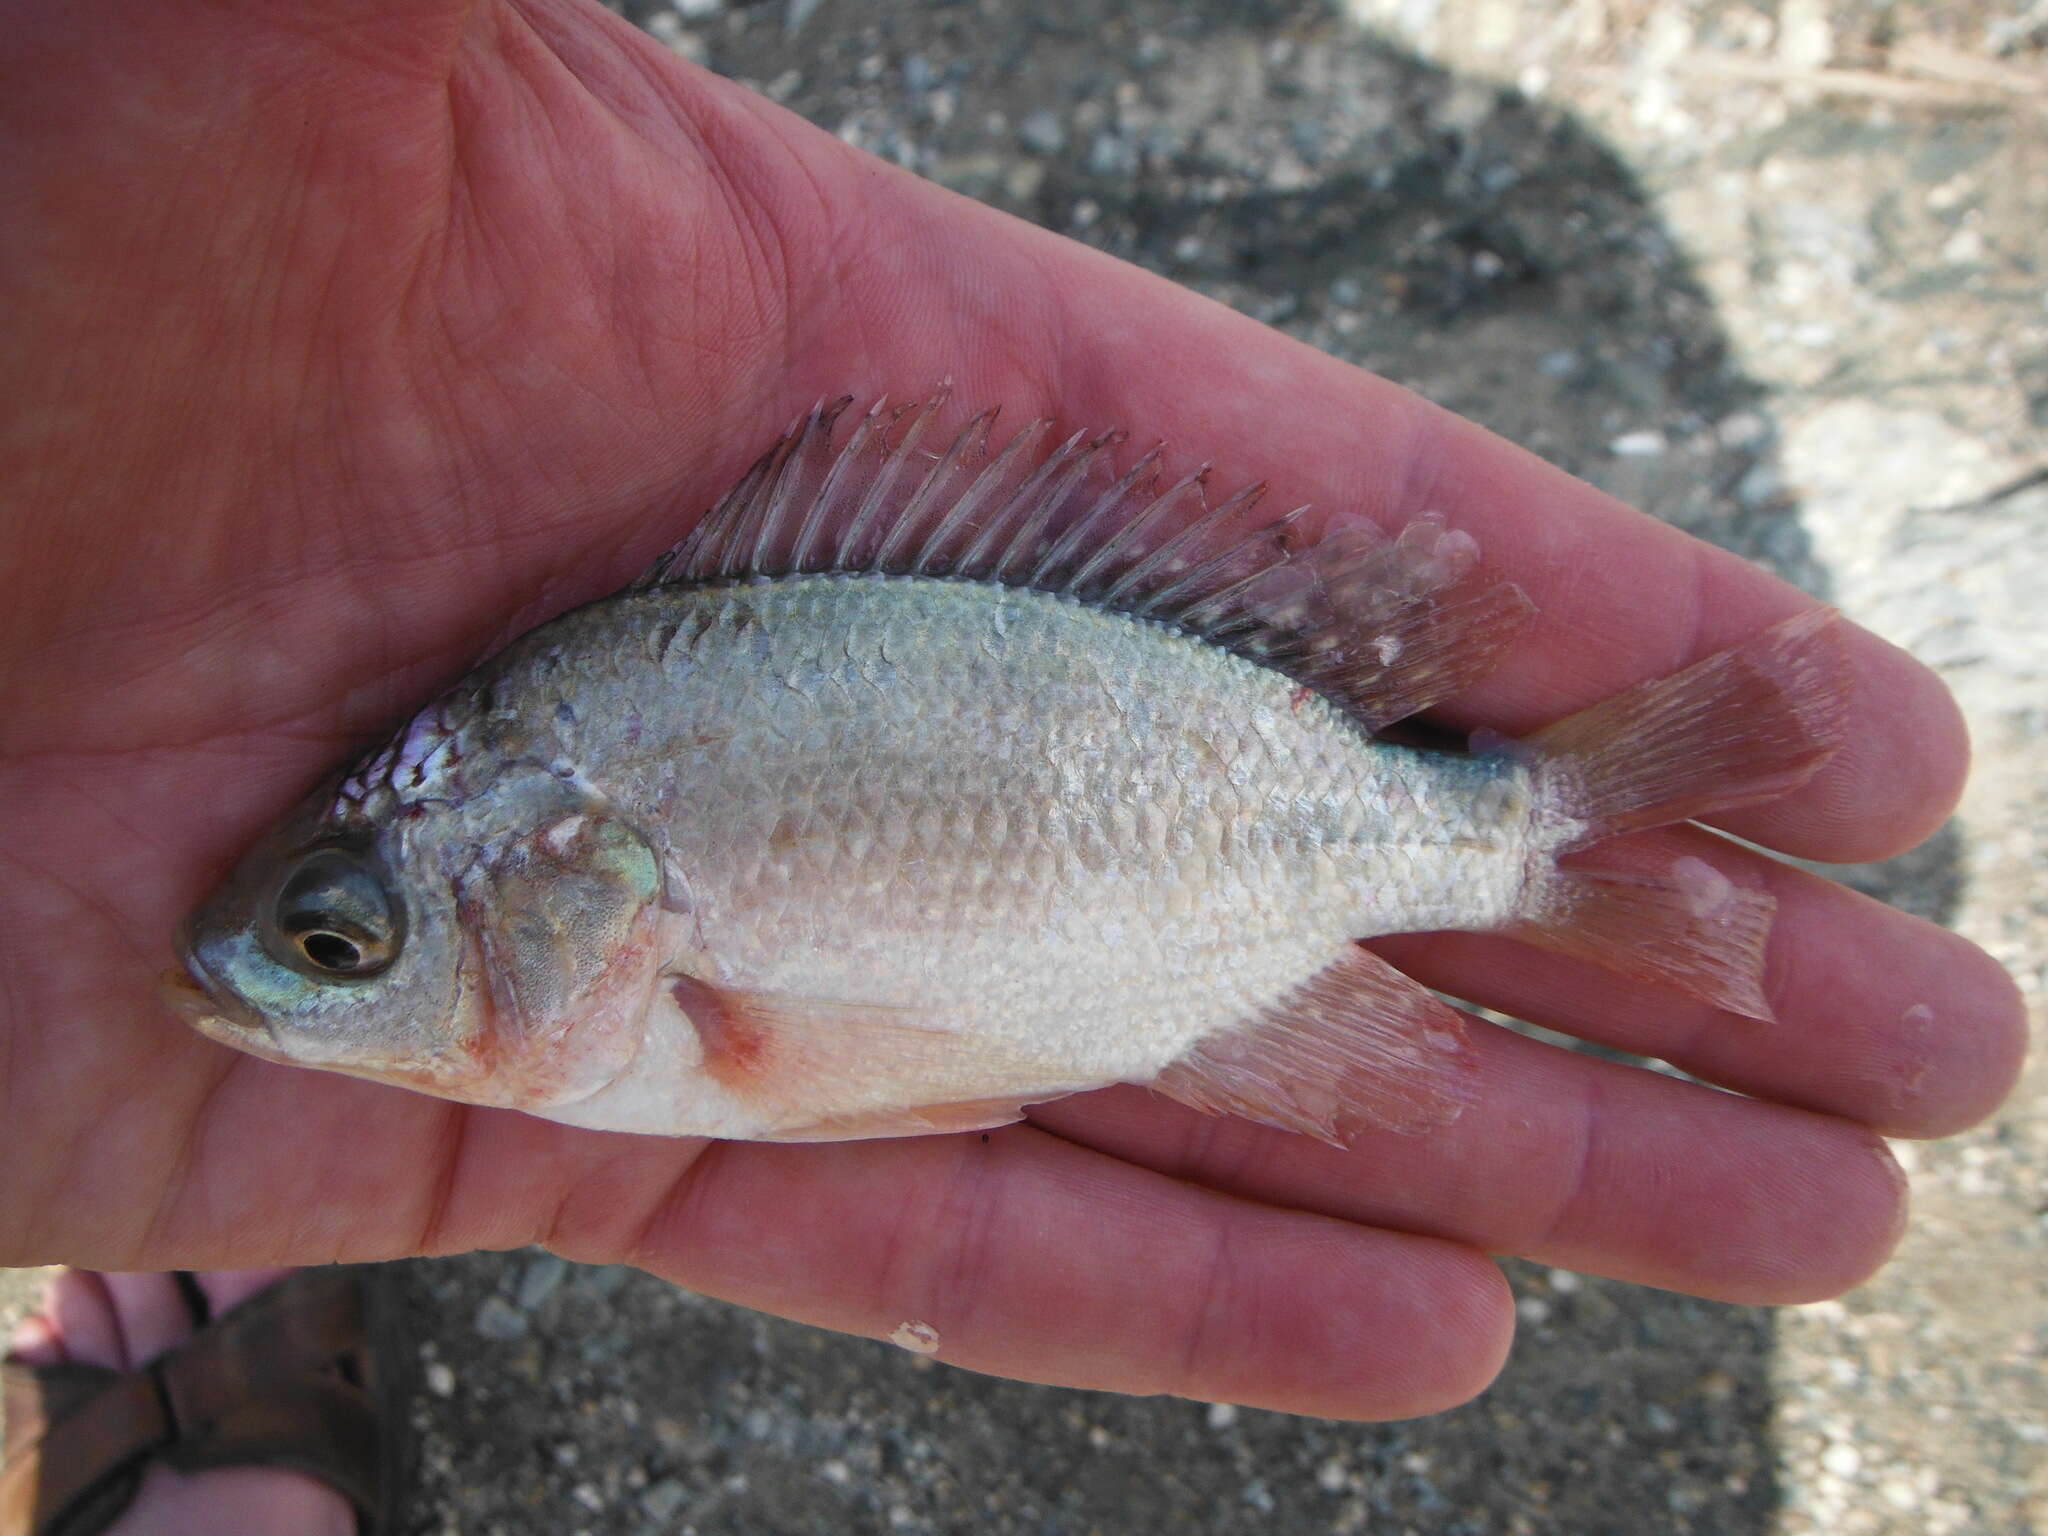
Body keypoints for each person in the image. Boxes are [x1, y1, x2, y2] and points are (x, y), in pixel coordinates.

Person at [0, 1, 2025, 1530]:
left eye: (339, 939)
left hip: (1258, 803)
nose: (284, 978)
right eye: (342, 938)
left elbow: (850, 1071)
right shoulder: (584, 848)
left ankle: (1533, 845)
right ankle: (1539, 847)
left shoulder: (610, 859)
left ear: (566, 880)